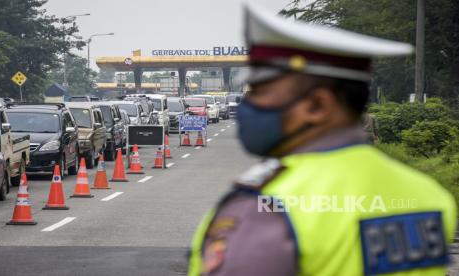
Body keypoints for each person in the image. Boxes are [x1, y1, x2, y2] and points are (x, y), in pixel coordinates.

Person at [188, 4, 457, 276]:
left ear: (317, 105)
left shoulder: (266, 208)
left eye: (259, 92)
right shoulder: (430, 195)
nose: (247, 106)